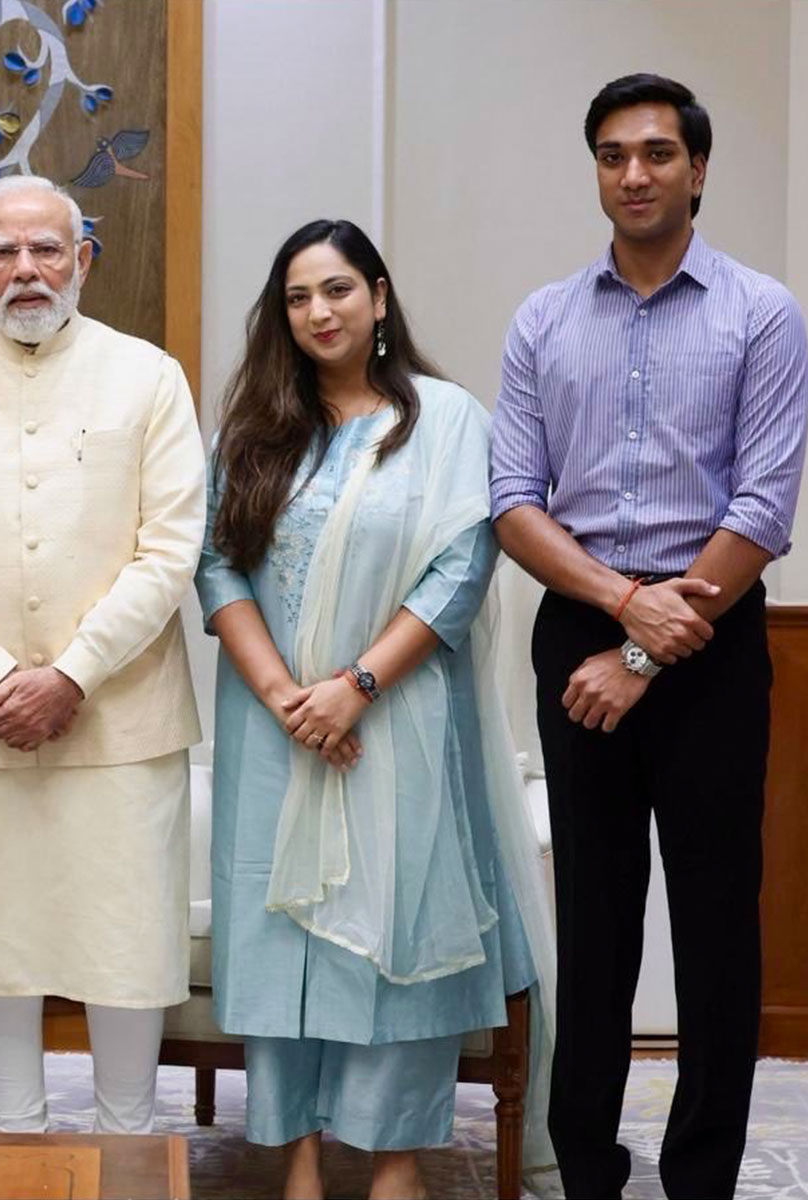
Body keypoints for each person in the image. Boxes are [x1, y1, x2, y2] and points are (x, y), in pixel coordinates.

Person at [490, 74, 808, 1200]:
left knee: (717, 921)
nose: (634, 174)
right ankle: (586, 1167)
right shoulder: (543, 320)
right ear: (596, 170)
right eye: (613, 155)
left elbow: (763, 505)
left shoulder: (760, 312)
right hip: (580, 623)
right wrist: (623, 613)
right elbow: (513, 500)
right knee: (594, 913)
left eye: (658, 153)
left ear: (697, 169)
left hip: (712, 629)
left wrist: (644, 649)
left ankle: (702, 1174)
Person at [197, 219, 554, 1200]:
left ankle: (396, 1160)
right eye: (298, 297)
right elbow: (215, 565)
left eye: (338, 289)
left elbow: (462, 567)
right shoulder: (253, 431)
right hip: (273, 729)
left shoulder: (446, 421)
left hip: (398, 720)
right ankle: (298, 1159)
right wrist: (287, 698)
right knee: (282, 938)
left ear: (380, 296)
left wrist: (353, 688)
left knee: (401, 927)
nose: (319, 312)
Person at [0, 175, 205, 1135]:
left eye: (47, 249)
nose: (27, 270)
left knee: (125, 940)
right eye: (5, 253)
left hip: (119, 718)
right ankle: (15, 1140)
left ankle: (129, 1147)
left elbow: (169, 550)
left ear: (82, 260)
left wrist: (70, 675)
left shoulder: (148, 376)